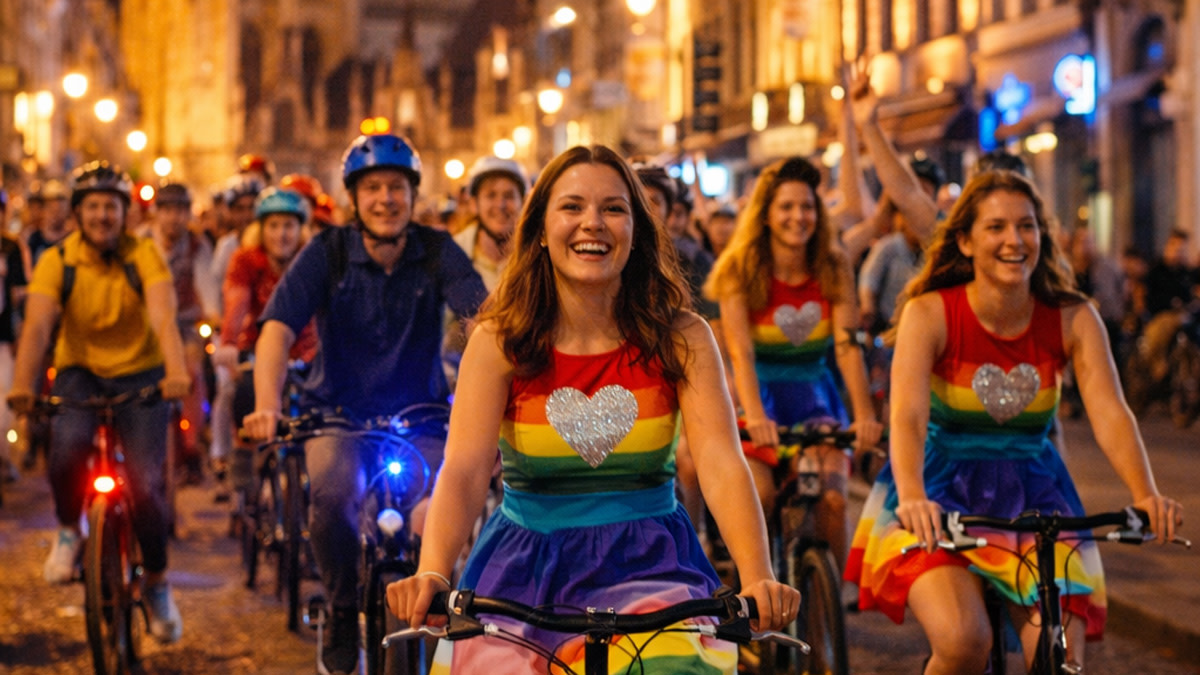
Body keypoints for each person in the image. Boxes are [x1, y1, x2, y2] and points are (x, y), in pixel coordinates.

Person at [385, 144, 797, 674]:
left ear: (638, 230)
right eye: (572, 207)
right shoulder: (497, 341)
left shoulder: (684, 337)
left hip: (653, 564)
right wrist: (435, 572)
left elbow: (720, 460)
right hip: (523, 569)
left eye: (614, 208)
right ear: (539, 227)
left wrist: (757, 573)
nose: (593, 224)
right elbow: (464, 469)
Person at [845, 170, 1184, 674]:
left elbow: (1111, 411)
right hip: (938, 489)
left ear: (1042, 236)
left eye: (1026, 226)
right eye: (996, 227)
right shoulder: (931, 313)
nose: (1014, 240)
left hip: (1037, 495)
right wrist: (913, 495)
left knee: (1058, 654)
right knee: (963, 643)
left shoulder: (1073, 317)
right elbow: (909, 416)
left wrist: (1145, 492)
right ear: (964, 240)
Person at [242, 133, 487, 675]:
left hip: (420, 414)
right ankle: (341, 607)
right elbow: (278, 329)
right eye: (372, 188)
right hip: (337, 416)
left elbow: (483, 321)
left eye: (396, 188)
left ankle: (440, 607)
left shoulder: (436, 248)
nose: (385, 199)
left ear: (412, 194)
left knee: (442, 508)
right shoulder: (326, 252)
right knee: (333, 494)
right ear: (354, 198)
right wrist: (265, 404)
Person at [6, 161, 191, 643]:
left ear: (124, 213)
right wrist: (23, 389)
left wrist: (176, 372)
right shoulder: (58, 260)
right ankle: (70, 529)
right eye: (92, 206)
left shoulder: (143, 254)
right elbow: (40, 326)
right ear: (77, 213)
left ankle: (155, 582)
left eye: (111, 206)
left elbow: (164, 316)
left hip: (143, 374)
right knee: (65, 448)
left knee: (146, 486)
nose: (102, 216)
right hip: (80, 372)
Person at [704, 156, 883, 570]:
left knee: (834, 500)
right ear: (766, 214)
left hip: (817, 400)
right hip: (758, 398)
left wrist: (863, 414)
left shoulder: (833, 265)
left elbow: (848, 346)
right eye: (786, 207)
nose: (798, 217)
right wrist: (754, 415)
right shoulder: (738, 270)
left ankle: (830, 615)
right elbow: (740, 354)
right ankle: (757, 594)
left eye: (807, 206)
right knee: (760, 498)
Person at [214, 187, 318, 500]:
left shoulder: (312, 261)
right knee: (242, 390)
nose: (281, 234)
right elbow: (237, 301)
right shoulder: (246, 260)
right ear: (261, 229)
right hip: (255, 347)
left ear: (301, 230)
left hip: (307, 349)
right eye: (273, 226)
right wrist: (230, 342)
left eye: (289, 225)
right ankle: (244, 452)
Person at [143, 182, 219, 484]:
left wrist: (214, 315)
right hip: (147, 327)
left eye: (180, 211)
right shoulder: (141, 242)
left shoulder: (198, 246)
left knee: (192, 373)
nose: (174, 218)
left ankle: (190, 443)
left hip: (184, 325)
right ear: (156, 213)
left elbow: (208, 286)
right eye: (168, 210)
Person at [0, 189, 29, 483]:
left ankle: (5, 458)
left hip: (4, 340)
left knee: (4, 404)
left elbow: (22, 294)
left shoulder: (11, 247)